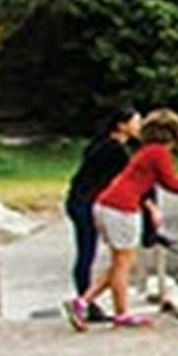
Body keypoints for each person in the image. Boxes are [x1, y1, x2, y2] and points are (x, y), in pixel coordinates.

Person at [67, 108, 178, 330]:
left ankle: (83, 302)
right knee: (123, 263)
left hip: (107, 204)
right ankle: (120, 313)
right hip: (122, 208)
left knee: (121, 261)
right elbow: (171, 183)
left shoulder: (147, 151)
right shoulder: (158, 153)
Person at [63, 107, 139, 321]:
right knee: (89, 252)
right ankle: (86, 302)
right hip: (86, 202)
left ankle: (85, 300)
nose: (139, 127)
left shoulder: (100, 145)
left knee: (89, 252)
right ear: (122, 125)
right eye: (135, 122)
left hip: (78, 200)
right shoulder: (115, 151)